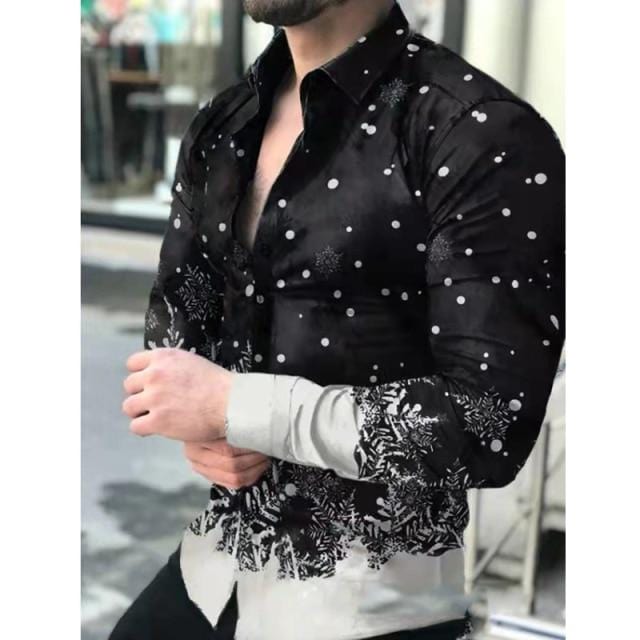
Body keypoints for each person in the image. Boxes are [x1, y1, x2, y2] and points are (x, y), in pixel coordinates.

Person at [114, 0, 565, 638]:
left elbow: (488, 422)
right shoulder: (225, 121)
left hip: (374, 604)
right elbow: (176, 336)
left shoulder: (478, 133)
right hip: (218, 565)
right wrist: (205, 428)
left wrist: (235, 405)